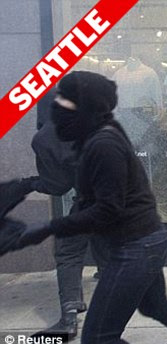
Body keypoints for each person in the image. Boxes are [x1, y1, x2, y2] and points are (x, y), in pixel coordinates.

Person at [2, 71, 167, 344]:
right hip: (147, 240)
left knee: (99, 337)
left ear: (87, 107)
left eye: (67, 102)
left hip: (134, 248)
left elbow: (108, 210)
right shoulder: (98, 135)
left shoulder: (102, 144)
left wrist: (45, 227)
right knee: (155, 306)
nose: (58, 107)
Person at [0, 100, 107, 341]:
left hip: (92, 200)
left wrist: (29, 183)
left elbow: (58, 186)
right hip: (127, 197)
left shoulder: (45, 137)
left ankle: (69, 317)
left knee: (68, 252)